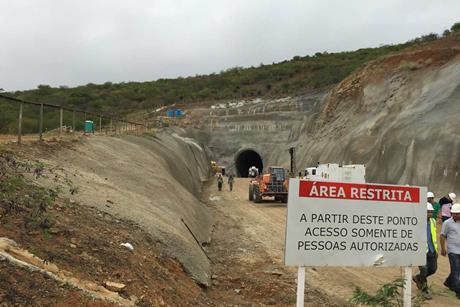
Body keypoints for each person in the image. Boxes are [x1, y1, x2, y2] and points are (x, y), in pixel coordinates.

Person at [413, 203, 438, 299]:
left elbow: (433, 236)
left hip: (431, 249)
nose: (430, 214)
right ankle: (424, 290)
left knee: (433, 269)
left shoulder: (433, 221)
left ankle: (418, 278)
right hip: (420, 250)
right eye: (428, 212)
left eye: (431, 212)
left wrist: (435, 250)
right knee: (424, 270)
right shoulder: (416, 221)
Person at [440, 203, 460, 299]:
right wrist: (443, 248)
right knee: (456, 270)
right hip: (453, 250)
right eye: (453, 213)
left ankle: (448, 282)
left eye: (457, 213)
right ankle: (458, 290)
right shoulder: (447, 223)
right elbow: (442, 235)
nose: (455, 215)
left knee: (457, 270)